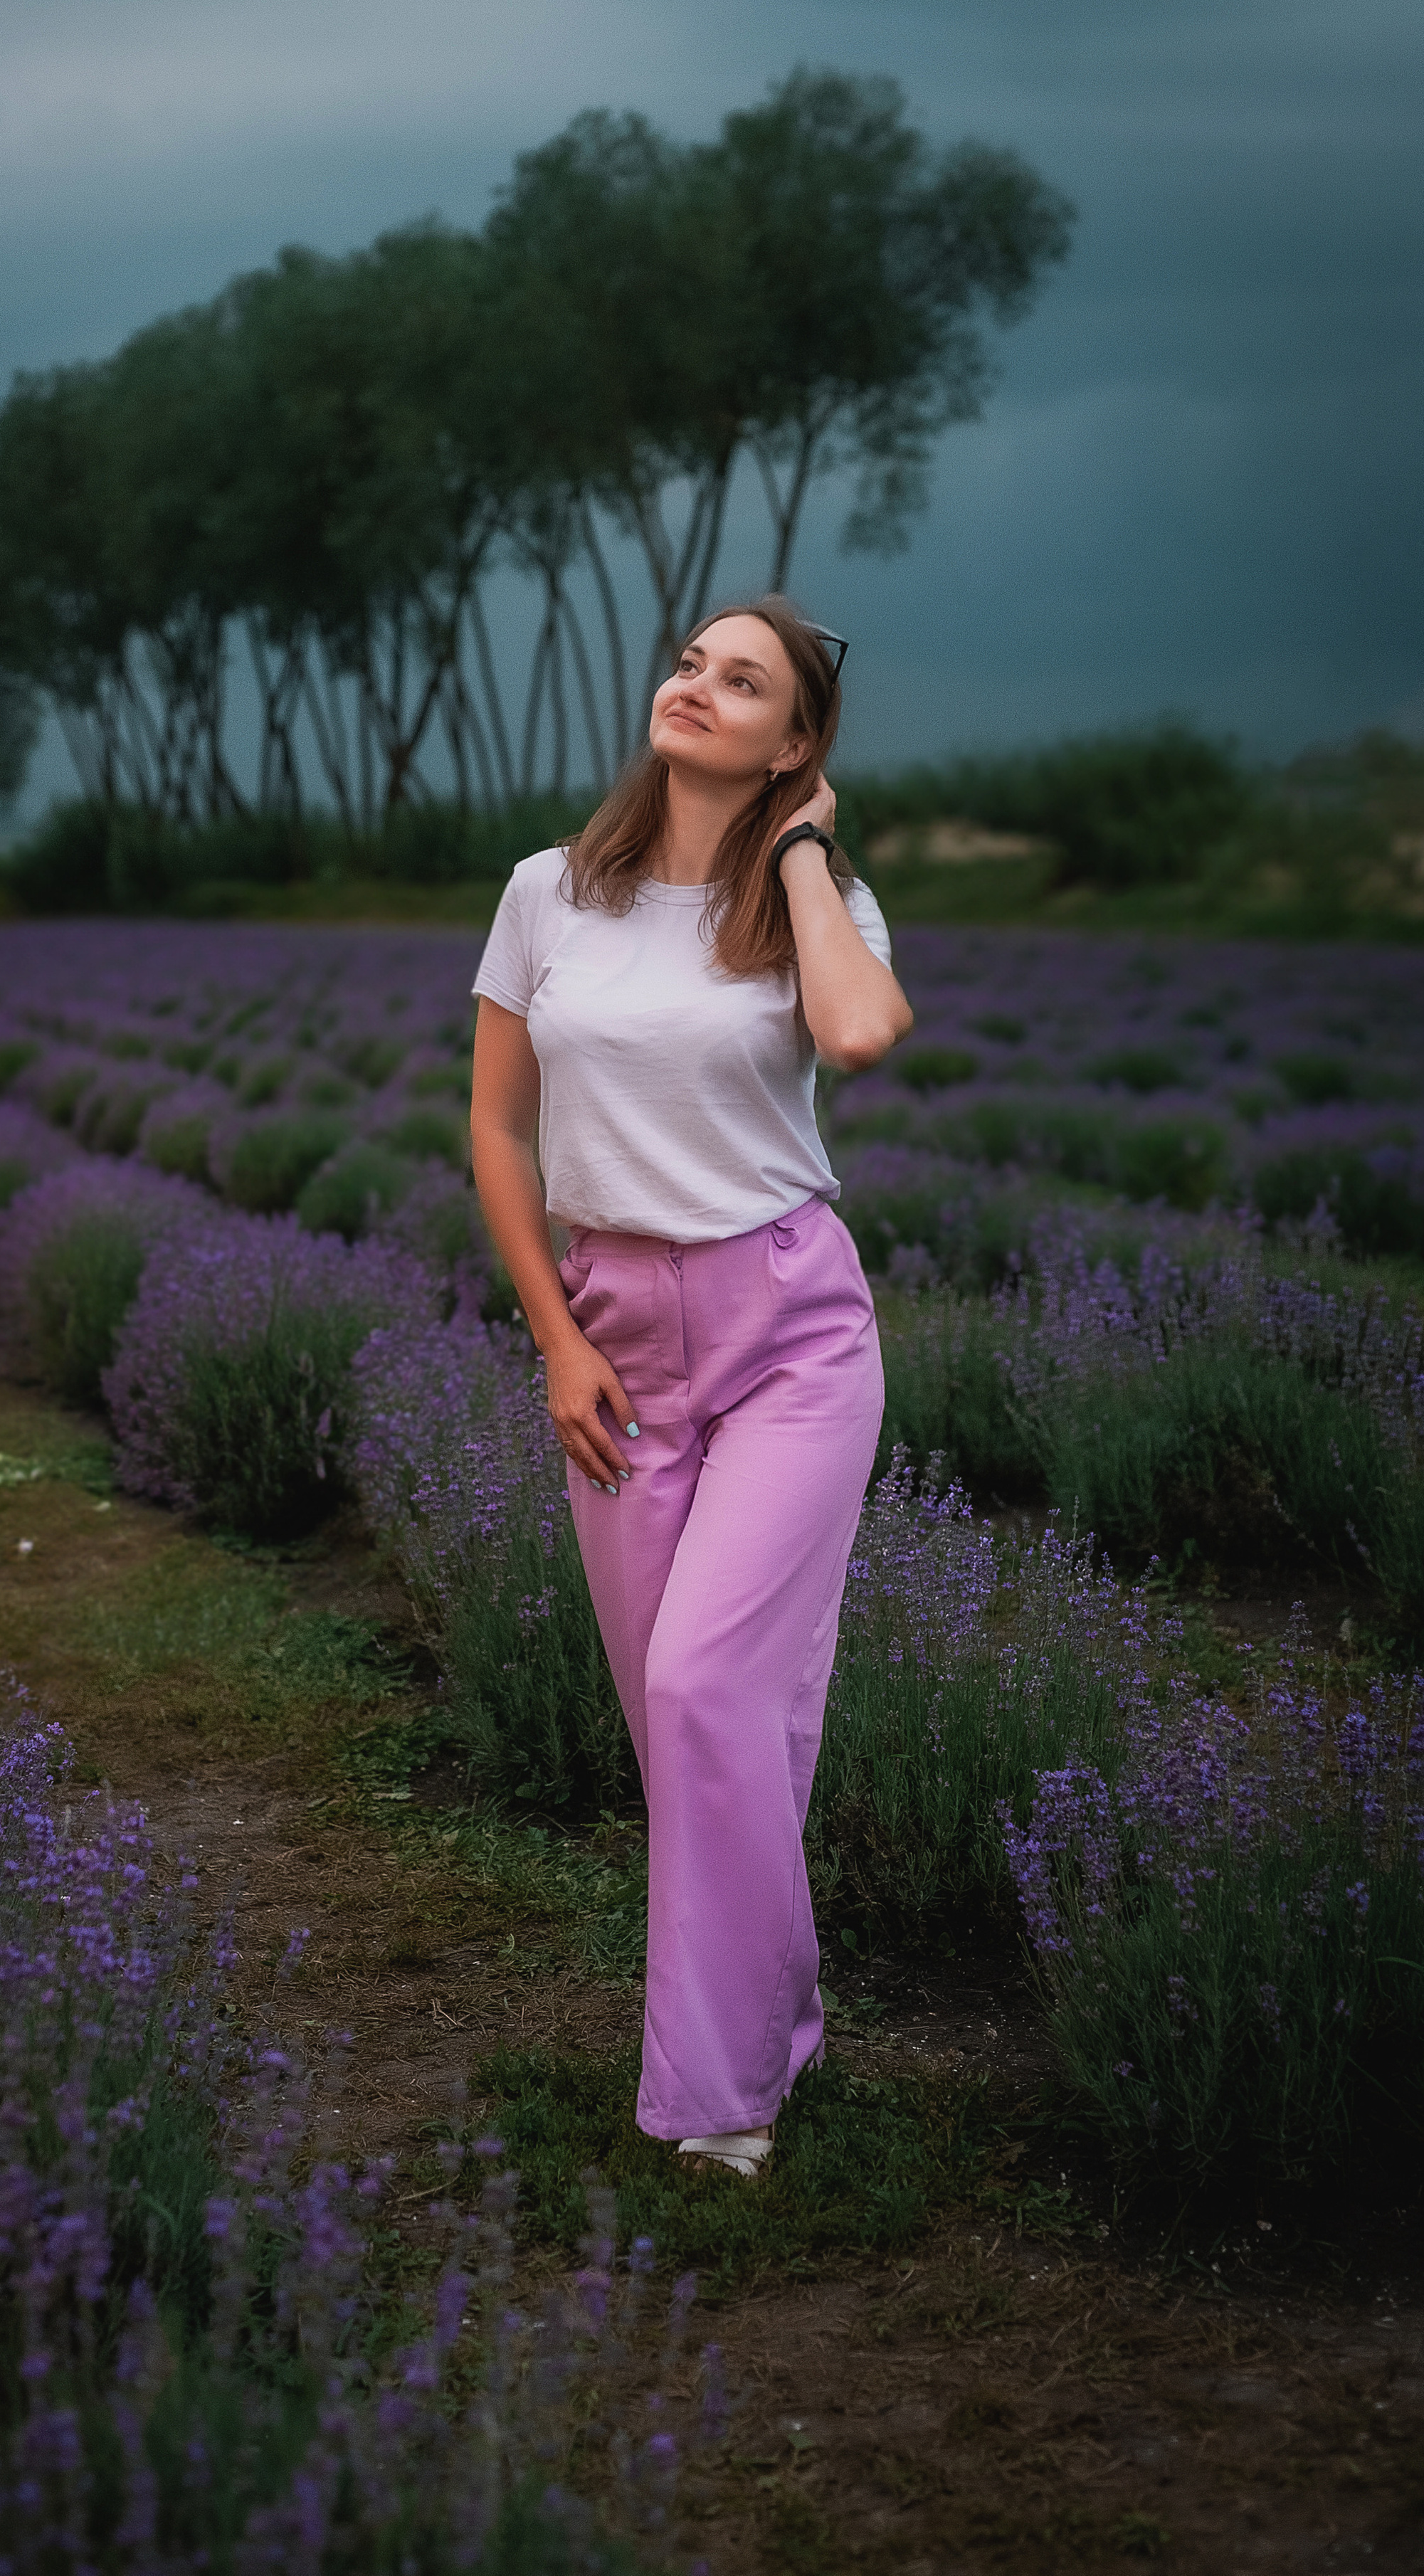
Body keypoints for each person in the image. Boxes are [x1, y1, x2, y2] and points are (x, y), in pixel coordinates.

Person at [468, 594, 913, 2177]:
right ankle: (776, 2017)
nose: (695, 687)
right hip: (614, 1338)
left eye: (743, 682)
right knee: (697, 1735)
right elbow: (500, 1131)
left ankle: (718, 2106)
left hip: (790, 1333)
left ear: (791, 742)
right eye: (687, 661)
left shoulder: (815, 901)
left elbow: (859, 1034)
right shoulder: (546, 895)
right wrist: (554, 1336)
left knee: (703, 1688)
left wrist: (797, 850)